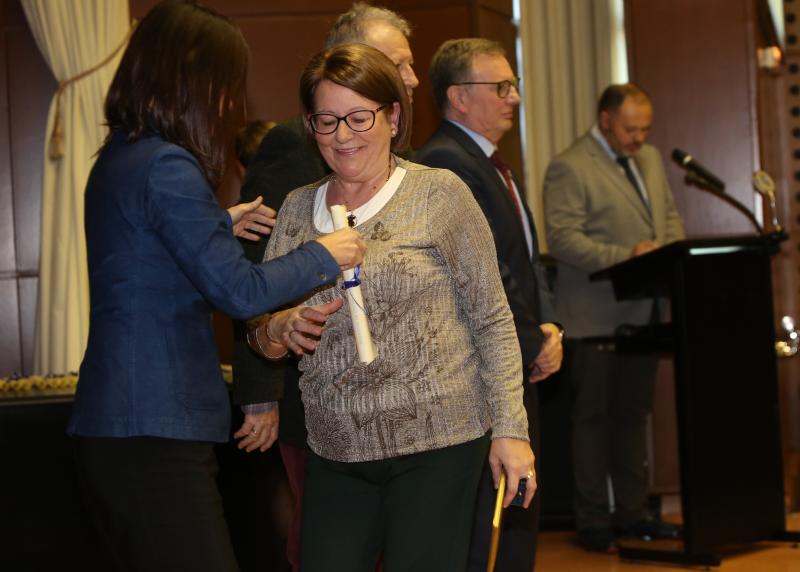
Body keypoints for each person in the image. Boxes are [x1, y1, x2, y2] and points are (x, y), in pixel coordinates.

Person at [66, 2, 365, 571]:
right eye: (227, 83)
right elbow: (242, 293)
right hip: (150, 429)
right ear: (196, 80)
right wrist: (324, 254)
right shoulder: (167, 166)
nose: (231, 102)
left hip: (122, 424)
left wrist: (214, 224)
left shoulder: (123, 155)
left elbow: (137, 251)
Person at [247, 42, 535, 572]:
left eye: (359, 117)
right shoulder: (294, 209)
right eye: (326, 121)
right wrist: (275, 330)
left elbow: (493, 318)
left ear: (393, 115)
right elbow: (259, 323)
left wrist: (511, 431)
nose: (343, 136)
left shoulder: (439, 194)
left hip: (440, 440)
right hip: (335, 446)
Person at [230, 4, 419, 569]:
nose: (411, 79)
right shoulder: (296, 144)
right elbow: (257, 270)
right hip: (313, 398)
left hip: (396, 400)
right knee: (326, 548)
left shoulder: (405, 158)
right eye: (399, 64)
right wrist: (260, 393)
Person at [416, 38, 563, 572]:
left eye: (514, 85)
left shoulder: (487, 161)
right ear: (458, 97)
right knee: (489, 518)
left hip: (515, 349)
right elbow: (486, 273)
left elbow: (524, 257)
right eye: (500, 87)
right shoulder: (446, 163)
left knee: (513, 510)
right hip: (482, 368)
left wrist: (549, 327)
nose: (514, 97)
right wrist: (532, 341)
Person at [542, 83, 684, 553]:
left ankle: (633, 513)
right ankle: (593, 521)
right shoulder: (570, 166)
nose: (638, 138)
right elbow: (562, 239)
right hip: (594, 316)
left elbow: (668, 220)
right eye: (630, 129)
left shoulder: (650, 159)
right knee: (593, 422)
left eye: (645, 128)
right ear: (605, 120)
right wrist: (628, 256)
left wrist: (665, 250)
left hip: (644, 314)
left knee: (632, 418)